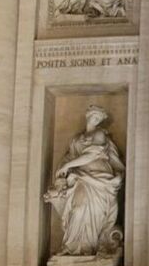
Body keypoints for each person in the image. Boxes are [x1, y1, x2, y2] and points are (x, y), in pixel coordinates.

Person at [45, 105, 124, 256]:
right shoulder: (77, 139)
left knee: (93, 213)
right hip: (80, 179)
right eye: (94, 116)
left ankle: (88, 249)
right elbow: (70, 157)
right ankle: (72, 248)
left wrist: (69, 165)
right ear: (88, 116)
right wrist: (62, 170)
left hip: (98, 180)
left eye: (98, 118)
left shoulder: (100, 134)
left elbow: (92, 155)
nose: (96, 120)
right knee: (78, 209)